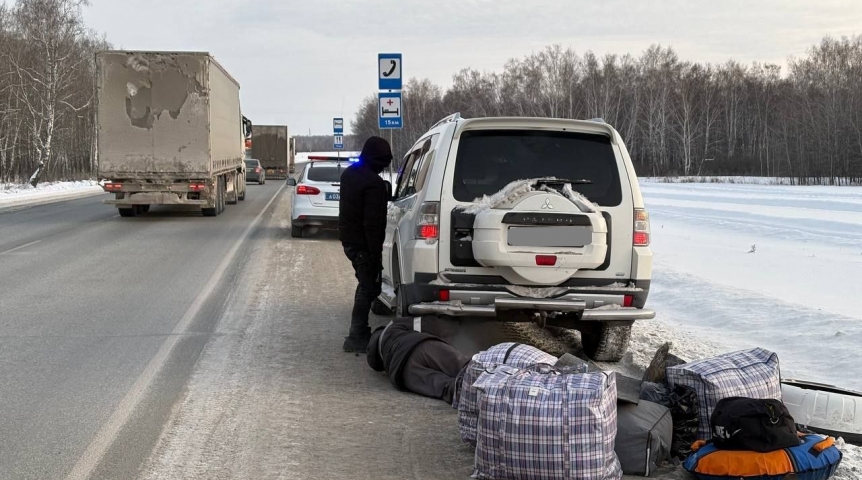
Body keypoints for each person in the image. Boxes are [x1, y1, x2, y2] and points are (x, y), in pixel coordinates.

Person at [338, 136, 393, 353]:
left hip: (349, 241)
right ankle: (356, 336)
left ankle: (358, 333)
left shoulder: (349, 174)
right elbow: (373, 224)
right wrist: (374, 253)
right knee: (368, 287)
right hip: (364, 244)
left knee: (365, 284)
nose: (382, 168)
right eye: (382, 163)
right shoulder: (374, 184)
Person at [367, 317, 470, 404]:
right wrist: (457, 327)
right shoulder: (392, 326)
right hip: (418, 346)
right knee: (464, 366)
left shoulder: (387, 364)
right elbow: (428, 324)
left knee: (445, 387)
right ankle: (479, 380)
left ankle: (472, 397)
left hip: (403, 370)